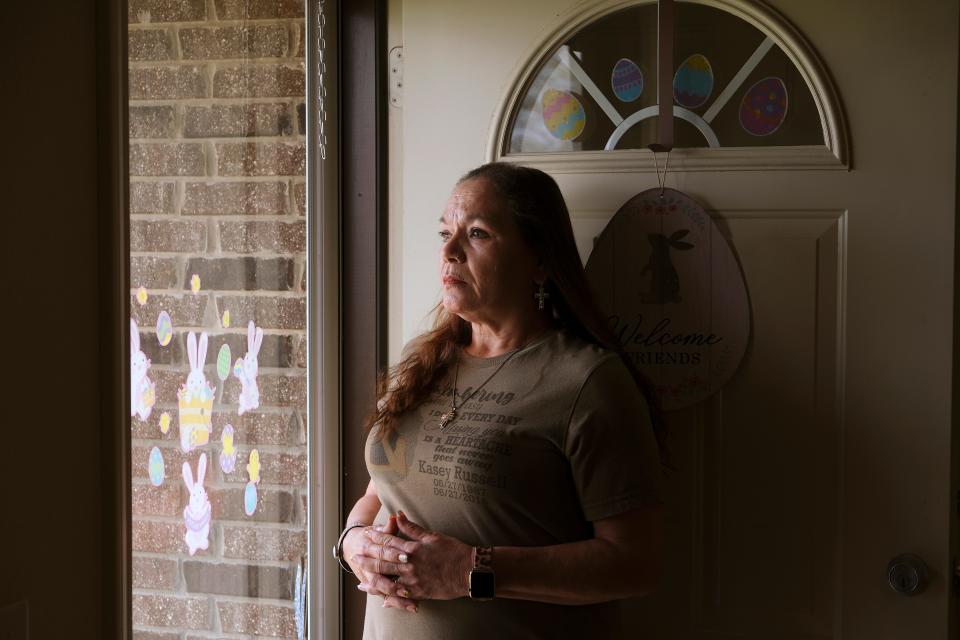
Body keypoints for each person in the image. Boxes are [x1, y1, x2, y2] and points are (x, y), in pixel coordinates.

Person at [334, 162, 665, 639]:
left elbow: (635, 563)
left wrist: (469, 570)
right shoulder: (422, 363)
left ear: (540, 259)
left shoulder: (589, 382)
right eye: (446, 233)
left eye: (477, 234)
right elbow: (379, 491)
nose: (448, 251)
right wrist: (354, 543)